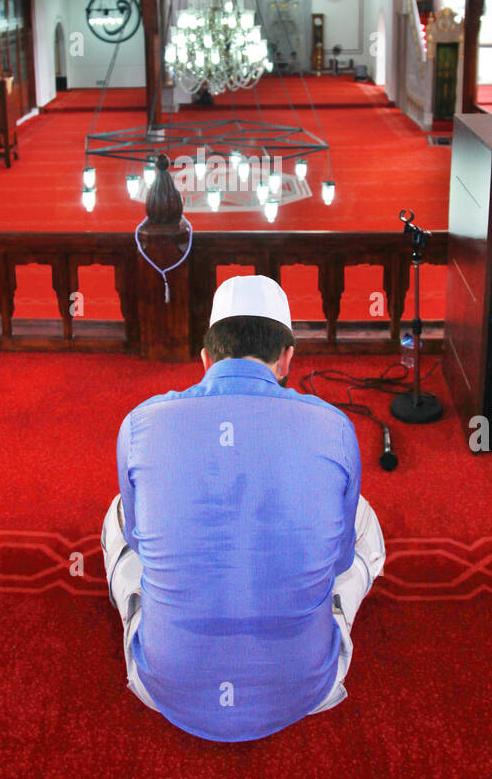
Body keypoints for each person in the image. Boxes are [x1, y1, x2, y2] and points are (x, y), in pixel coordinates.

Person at [101, 274, 386, 742]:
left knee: (119, 515)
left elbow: (135, 539)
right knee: (362, 519)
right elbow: (336, 561)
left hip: (162, 686)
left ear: (206, 358)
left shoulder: (140, 425)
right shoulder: (334, 428)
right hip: (308, 686)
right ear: (287, 359)